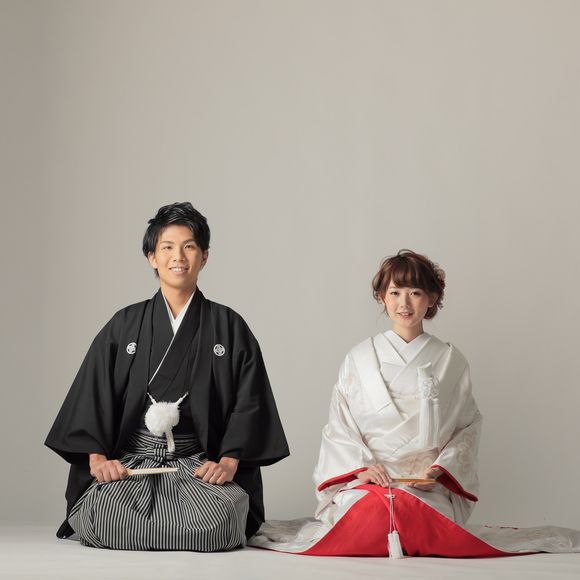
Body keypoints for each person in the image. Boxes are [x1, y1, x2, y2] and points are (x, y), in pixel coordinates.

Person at [250, 250, 580, 556]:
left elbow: (467, 427)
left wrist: (440, 470)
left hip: (427, 488)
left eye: (415, 292)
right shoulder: (359, 358)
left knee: (412, 512)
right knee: (373, 512)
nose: (404, 303)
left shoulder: (451, 362)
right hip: (367, 484)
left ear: (432, 298)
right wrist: (362, 469)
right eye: (395, 292)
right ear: (382, 297)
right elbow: (340, 426)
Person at [45, 202, 289, 551]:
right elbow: (92, 395)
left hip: (197, 465)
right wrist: (98, 460)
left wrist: (228, 461)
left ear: (204, 257)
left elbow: (250, 401)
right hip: (132, 463)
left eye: (189, 246)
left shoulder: (229, 326)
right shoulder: (124, 324)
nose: (179, 257)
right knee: (103, 514)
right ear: (152, 257)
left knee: (221, 520)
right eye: (167, 247)